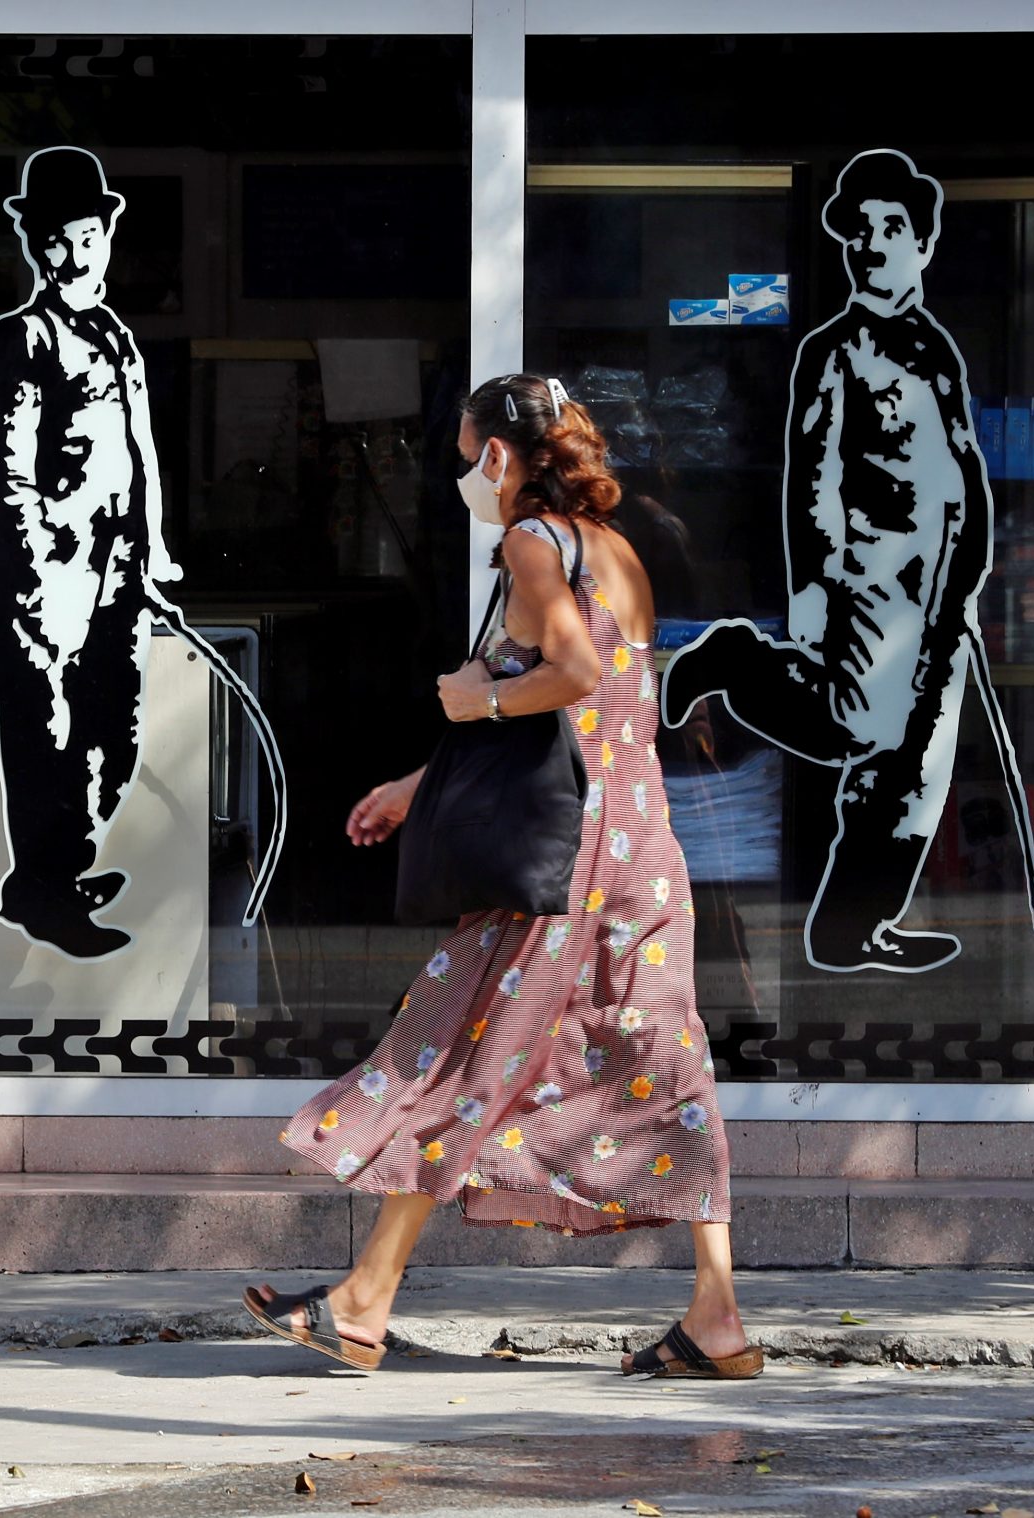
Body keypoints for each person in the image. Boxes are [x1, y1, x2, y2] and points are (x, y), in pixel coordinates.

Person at [251, 375, 759, 1381]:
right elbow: (604, 715)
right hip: (640, 850)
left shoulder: (531, 544)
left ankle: (362, 1300)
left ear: (495, 457)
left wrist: (464, 704)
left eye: (463, 452)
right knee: (663, 1070)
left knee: (463, 1053)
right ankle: (717, 1321)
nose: (459, 474)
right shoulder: (615, 547)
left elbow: (569, 679)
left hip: (561, 864)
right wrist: (418, 780)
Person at [658, 148, 1034, 973]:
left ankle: (852, 926)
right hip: (871, 585)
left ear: (922, 245)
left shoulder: (935, 347)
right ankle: (738, 661)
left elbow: (962, 463)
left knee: (915, 771)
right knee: (857, 728)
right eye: (860, 230)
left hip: (945, 597)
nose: (872, 243)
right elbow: (813, 475)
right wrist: (811, 594)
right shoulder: (834, 350)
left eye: (891, 227)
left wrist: (971, 571)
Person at [0, 146, 287, 960]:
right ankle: (44, 889)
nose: (69, 255)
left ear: (107, 234)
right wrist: (40, 569)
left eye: (83, 236)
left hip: (113, 570)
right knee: (48, 738)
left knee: (114, 729)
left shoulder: (113, 334)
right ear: (35, 247)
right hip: (40, 575)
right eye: (53, 241)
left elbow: (137, 452)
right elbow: (2, 467)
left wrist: (153, 555)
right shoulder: (24, 336)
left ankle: (59, 863)